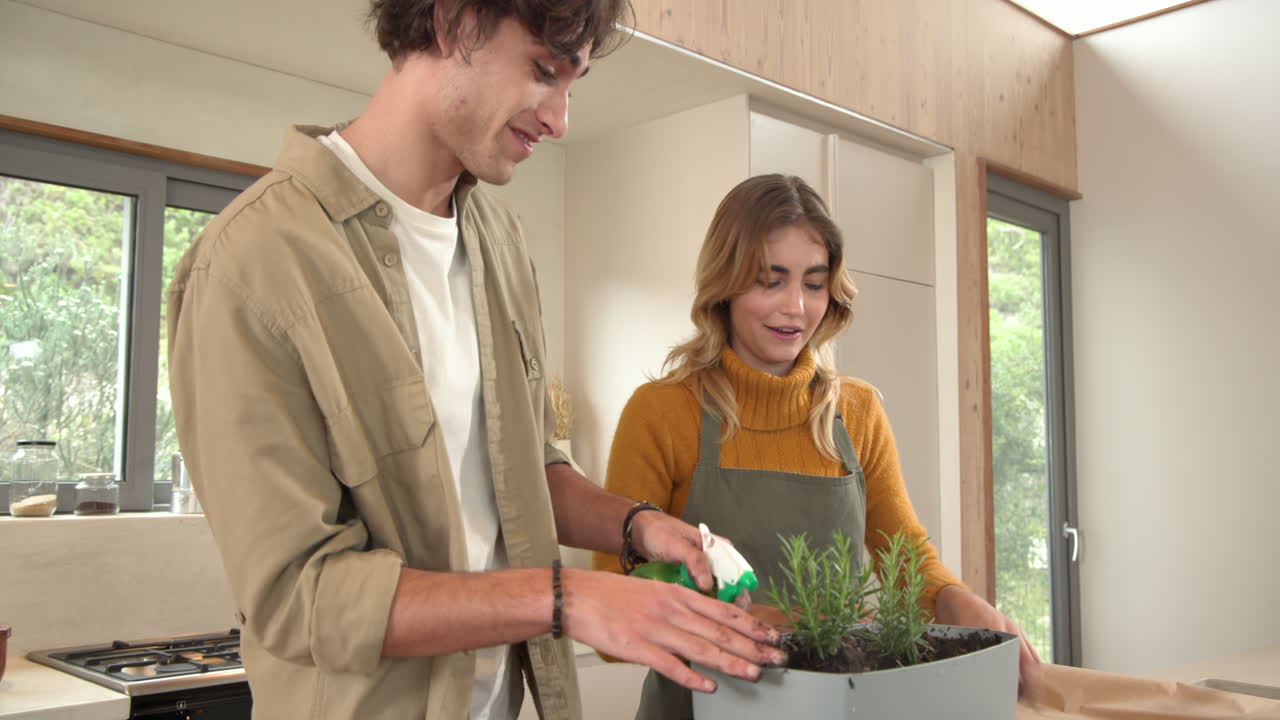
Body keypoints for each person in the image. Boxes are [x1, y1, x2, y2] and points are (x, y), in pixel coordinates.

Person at [165, 2, 784, 717]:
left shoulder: (499, 240)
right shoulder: (252, 263)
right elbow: (299, 597)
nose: (560, 121)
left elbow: (522, 470)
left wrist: (637, 526)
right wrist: (565, 598)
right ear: (454, 22)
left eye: (572, 86)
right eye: (545, 72)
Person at [594, 174, 1042, 719]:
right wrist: (782, 626)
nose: (796, 308)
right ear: (727, 284)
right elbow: (613, 603)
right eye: (770, 280)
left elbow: (905, 557)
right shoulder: (663, 412)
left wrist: (958, 602)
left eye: (813, 283)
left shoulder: (857, 411)